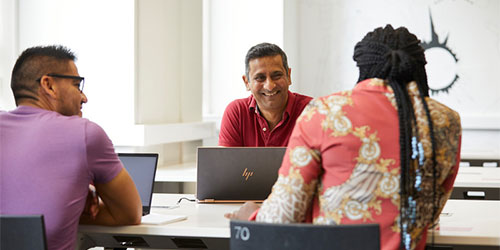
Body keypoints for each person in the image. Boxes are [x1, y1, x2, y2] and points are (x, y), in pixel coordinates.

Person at [225, 25, 462, 250]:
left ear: (363, 65)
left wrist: (252, 216)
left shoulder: (323, 111)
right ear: (418, 67)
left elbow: (284, 214)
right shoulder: (445, 120)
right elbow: (429, 214)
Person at [0, 45, 142, 250]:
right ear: (49, 85)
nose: (84, 97)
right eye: (77, 85)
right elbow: (130, 214)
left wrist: (72, 196)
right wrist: (76, 205)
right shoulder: (85, 134)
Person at [218, 43, 313, 146]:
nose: (270, 86)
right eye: (260, 78)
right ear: (247, 82)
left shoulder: (312, 111)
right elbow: (226, 161)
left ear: (288, 76)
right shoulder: (237, 112)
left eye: (276, 76)